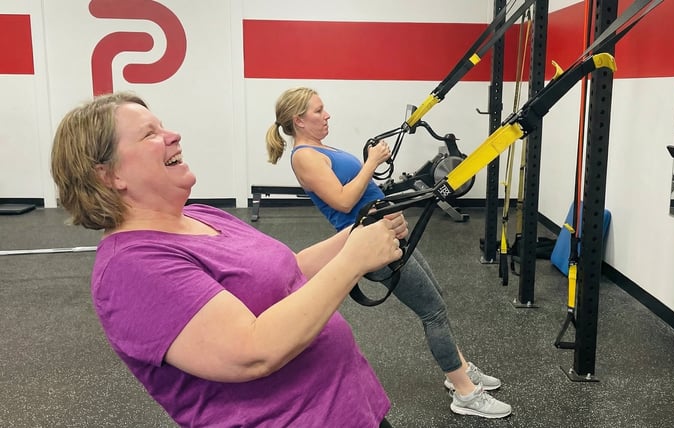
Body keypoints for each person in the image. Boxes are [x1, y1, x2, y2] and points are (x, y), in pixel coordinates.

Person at [50, 91, 409, 428]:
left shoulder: (202, 215)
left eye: (163, 126)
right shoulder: (130, 268)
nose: (174, 135)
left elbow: (290, 270)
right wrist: (352, 261)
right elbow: (252, 351)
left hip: (354, 407)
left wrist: (359, 232)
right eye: (149, 134)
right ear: (109, 174)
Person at [266, 87, 512, 419]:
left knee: (435, 301)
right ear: (299, 120)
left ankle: (462, 369)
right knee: (432, 312)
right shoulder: (304, 156)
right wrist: (371, 162)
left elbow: (362, 191)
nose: (327, 115)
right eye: (319, 110)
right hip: (371, 243)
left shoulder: (321, 148)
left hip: (388, 233)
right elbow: (343, 201)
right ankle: (464, 392)